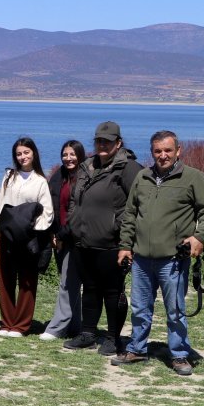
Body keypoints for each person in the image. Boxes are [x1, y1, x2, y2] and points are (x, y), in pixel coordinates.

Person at [113, 131, 204, 376]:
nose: (163, 156)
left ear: (178, 151)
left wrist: (200, 237)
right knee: (139, 308)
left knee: (175, 310)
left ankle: (179, 354)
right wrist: (125, 246)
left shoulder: (192, 178)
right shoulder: (142, 176)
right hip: (141, 259)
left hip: (173, 259)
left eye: (168, 150)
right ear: (152, 153)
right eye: (158, 151)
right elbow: (130, 215)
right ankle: (137, 348)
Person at [64, 121, 142, 355]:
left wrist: (121, 233)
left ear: (118, 143)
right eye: (99, 140)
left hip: (112, 244)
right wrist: (73, 220)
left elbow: (137, 205)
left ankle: (112, 337)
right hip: (84, 240)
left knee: (112, 291)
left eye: (107, 141)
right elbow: (74, 199)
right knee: (89, 289)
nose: (102, 145)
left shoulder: (128, 169)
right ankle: (88, 333)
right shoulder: (87, 165)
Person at [0, 137, 53, 338]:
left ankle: (22, 325)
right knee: (6, 279)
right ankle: (7, 322)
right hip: (7, 235)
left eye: (26, 152)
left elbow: (47, 212)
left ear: (34, 153)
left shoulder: (41, 181)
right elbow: (1, 205)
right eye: (19, 153)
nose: (22, 156)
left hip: (27, 237)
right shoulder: (9, 177)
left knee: (27, 280)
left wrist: (33, 229)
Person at [40, 140, 87, 341]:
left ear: (80, 155)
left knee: (67, 283)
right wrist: (53, 233)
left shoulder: (86, 177)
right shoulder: (58, 176)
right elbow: (50, 206)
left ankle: (57, 327)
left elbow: (80, 213)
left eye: (72, 154)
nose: (68, 158)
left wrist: (61, 235)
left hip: (77, 237)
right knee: (70, 281)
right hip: (59, 237)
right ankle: (75, 325)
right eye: (65, 154)